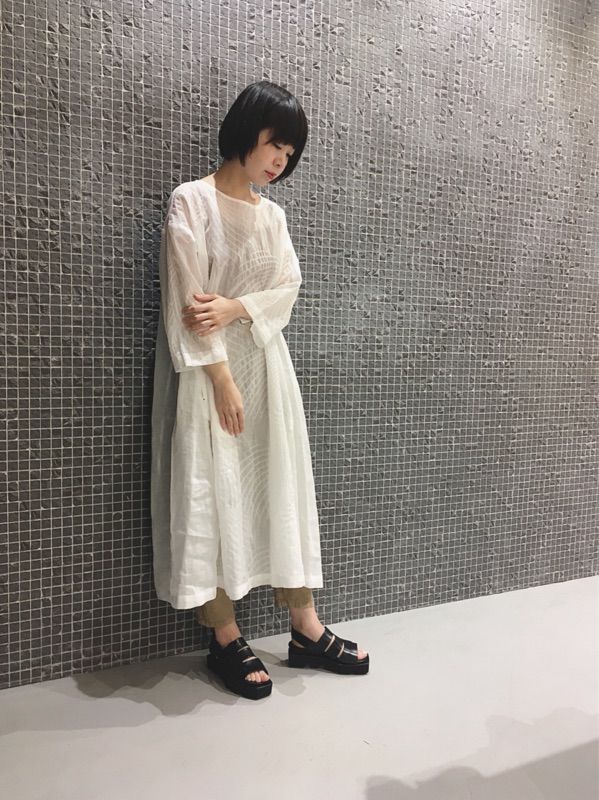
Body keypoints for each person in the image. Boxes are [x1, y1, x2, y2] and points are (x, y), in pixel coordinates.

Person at [151, 80, 369, 700]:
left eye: (290, 153)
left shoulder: (273, 216)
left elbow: (287, 288)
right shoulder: (191, 202)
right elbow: (186, 304)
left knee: (278, 487)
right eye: (276, 144)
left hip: (269, 372)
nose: (280, 160)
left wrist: (236, 306)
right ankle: (224, 635)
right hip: (209, 376)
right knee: (214, 492)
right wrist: (221, 380)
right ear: (247, 131)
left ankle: (305, 627)